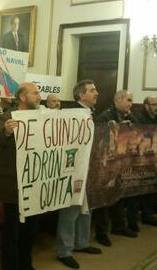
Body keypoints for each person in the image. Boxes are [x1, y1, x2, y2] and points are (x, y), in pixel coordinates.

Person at [0, 82, 41, 270]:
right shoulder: (8, 116)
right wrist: (6, 131)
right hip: (13, 183)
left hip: (35, 181)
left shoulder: (42, 116)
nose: (39, 96)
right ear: (23, 97)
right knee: (12, 231)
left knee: (30, 229)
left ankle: (26, 264)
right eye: (35, 93)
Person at [56, 79, 101, 269]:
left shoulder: (91, 112)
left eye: (95, 89)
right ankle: (64, 251)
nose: (96, 93)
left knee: (86, 207)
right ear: (81, 95)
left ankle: (82, 243)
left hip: (89, 166)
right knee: (71, 208)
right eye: (92, 90)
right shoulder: (71, 112)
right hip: (73, 168)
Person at [95, 90, 139, 239]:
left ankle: (119, 226)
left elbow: (139, 130)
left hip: (120, 162)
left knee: (119, 194)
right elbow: (99, 138)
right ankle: (101, 232)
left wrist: (130, 126)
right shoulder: (105, 115)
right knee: (104, 198)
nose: (131, 104)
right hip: (106, 163)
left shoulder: (129, 115)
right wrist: (119, 127)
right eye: (128, 100)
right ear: (118, 100)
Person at [126, 96, 157, 229]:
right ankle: (132, 221)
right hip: (138, 159)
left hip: (153, 159)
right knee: (135, 192)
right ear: (146, 106)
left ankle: (148, 217)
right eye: (154, 104)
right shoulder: (138, 119)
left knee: (150, 189)